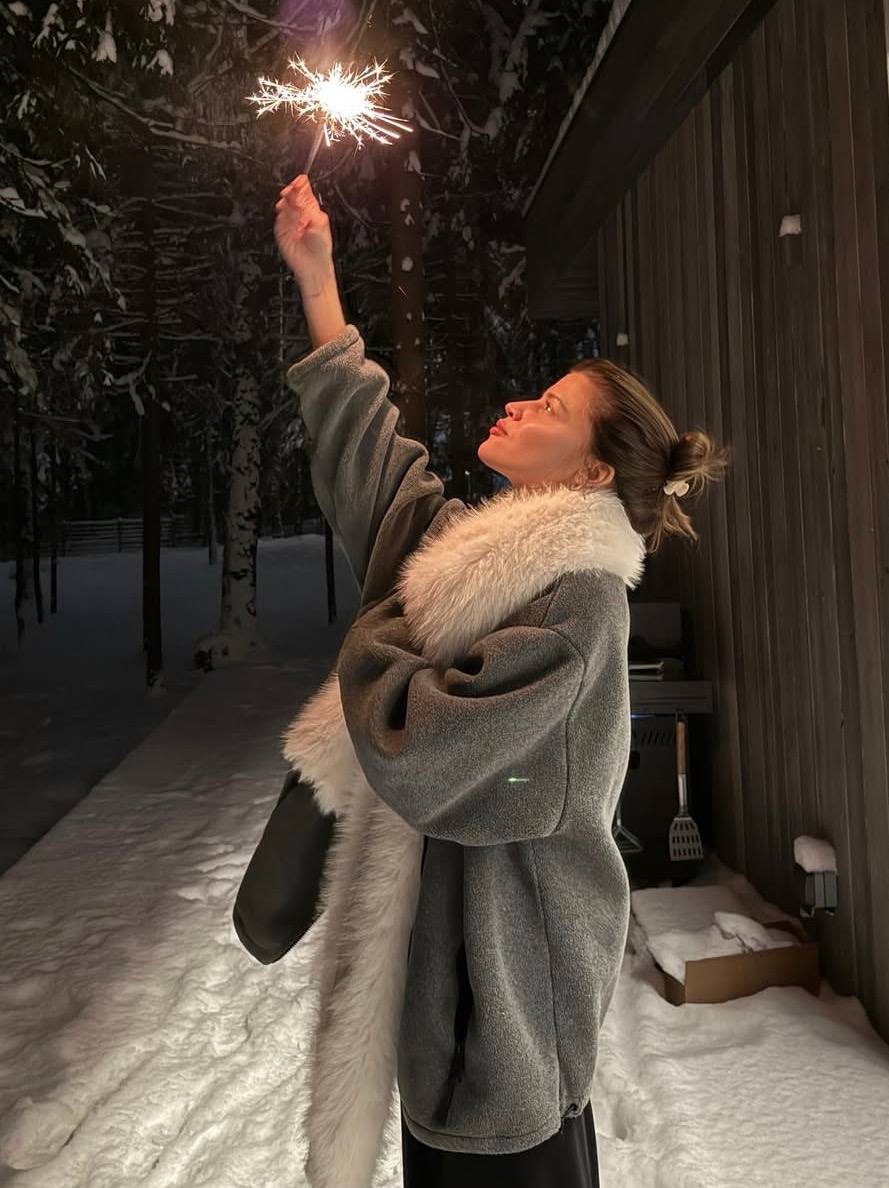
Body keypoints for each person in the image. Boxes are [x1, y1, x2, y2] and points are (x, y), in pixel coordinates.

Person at [274, 175, 730, 1188]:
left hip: (504, 1044)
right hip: (449, 1025)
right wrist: (317, 281)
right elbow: (377, 478)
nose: (520, 402)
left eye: (551, 406)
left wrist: (379, 632)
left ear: (591, 473)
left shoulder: (577, 603)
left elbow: (423, 751)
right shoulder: (476, 568)